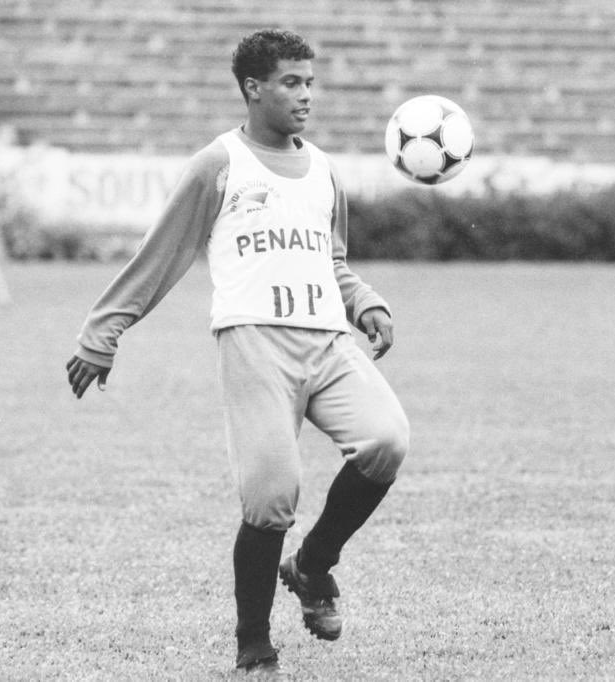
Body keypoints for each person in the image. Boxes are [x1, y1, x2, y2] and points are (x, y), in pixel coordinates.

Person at [65, 29, 410, 673]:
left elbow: (330, 260)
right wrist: (102, 332)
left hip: (329, 341)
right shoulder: (217, 165)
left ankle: (311, 566)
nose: (306, 95)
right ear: (253, 89)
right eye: (291, 82)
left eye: (310, 81)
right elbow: (161, 255)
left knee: (387, 439)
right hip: (255, 343)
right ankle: (254, 641)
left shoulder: (324, 170)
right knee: (272, 493)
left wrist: (363, 300)